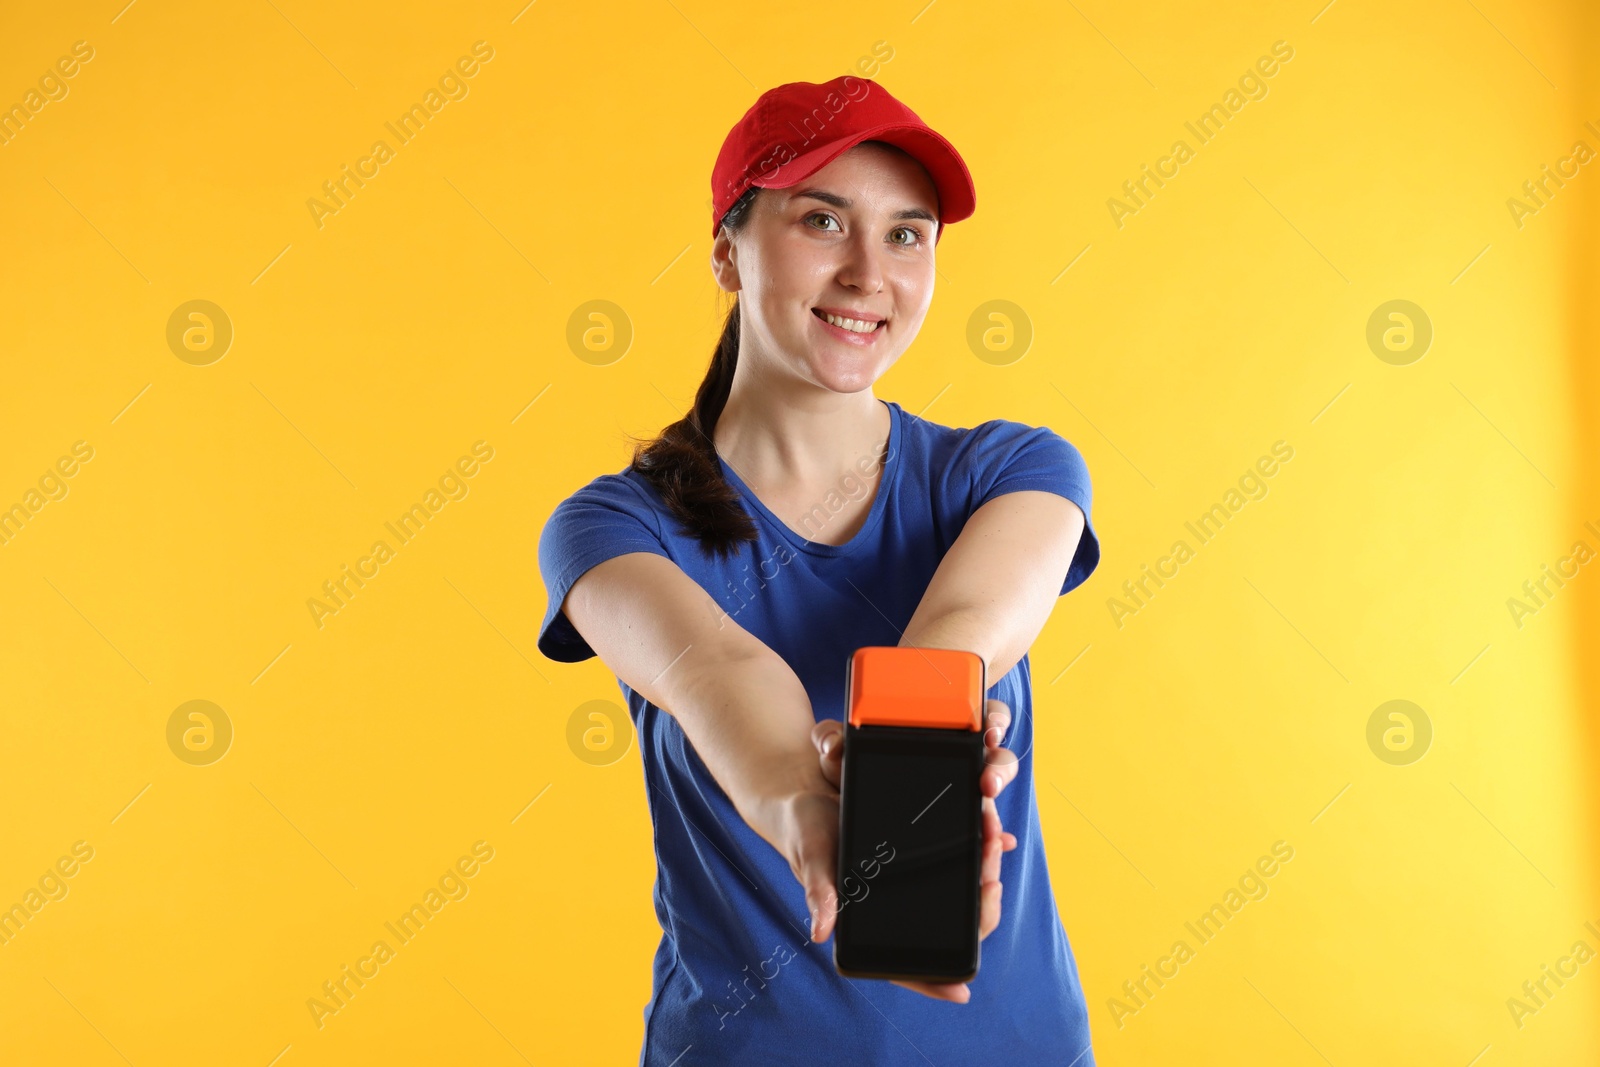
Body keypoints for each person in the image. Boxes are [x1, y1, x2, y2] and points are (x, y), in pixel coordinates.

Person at [537, 75, 1101, 1066]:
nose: (866, 272)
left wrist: (906, 781)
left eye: (905, 233)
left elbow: (962, 625)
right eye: (820, 220)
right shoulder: (613, 526)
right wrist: (810, 810)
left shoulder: (1012, 470)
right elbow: (713, 669)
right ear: (726, 248)